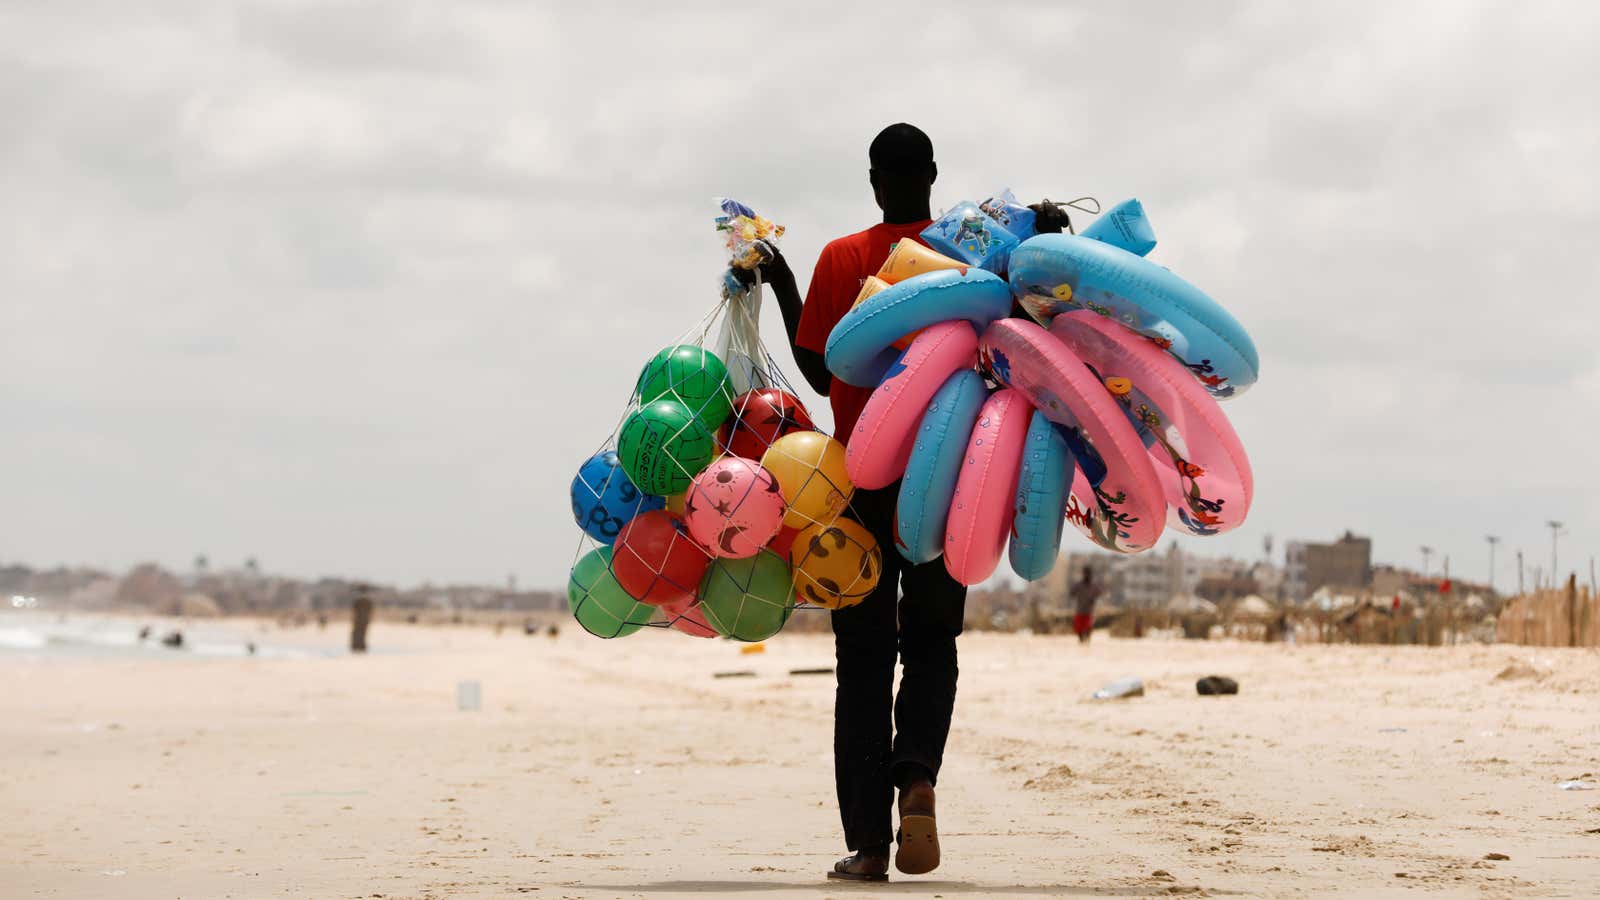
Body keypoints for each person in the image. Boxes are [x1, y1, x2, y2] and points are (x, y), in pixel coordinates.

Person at [753, 123, 1069, 882]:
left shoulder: (843, 258)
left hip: (858, 488)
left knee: (861, 662)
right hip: (949, 483)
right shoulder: (973, 254)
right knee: (932, 646)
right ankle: (917, 777)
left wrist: (782, 280)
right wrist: (1048, 234)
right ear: (931, 174)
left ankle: (866, 846)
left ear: (873, 181)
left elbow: (824, 371)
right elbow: (1025, 328)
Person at [1071, 566, 1102, 643]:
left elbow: (1099, 593)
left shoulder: (1093, 585)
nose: (1087, 575)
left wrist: (1093, 599)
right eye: (1086, 573)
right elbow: (1072, 592)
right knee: (1079, 627)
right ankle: (1081, 639)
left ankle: (1087, 639)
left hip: (1089, 610)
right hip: (1080, 609)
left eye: (1088, 573)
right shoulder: (1079, 585)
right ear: (1083, 574)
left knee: (1088, 626)